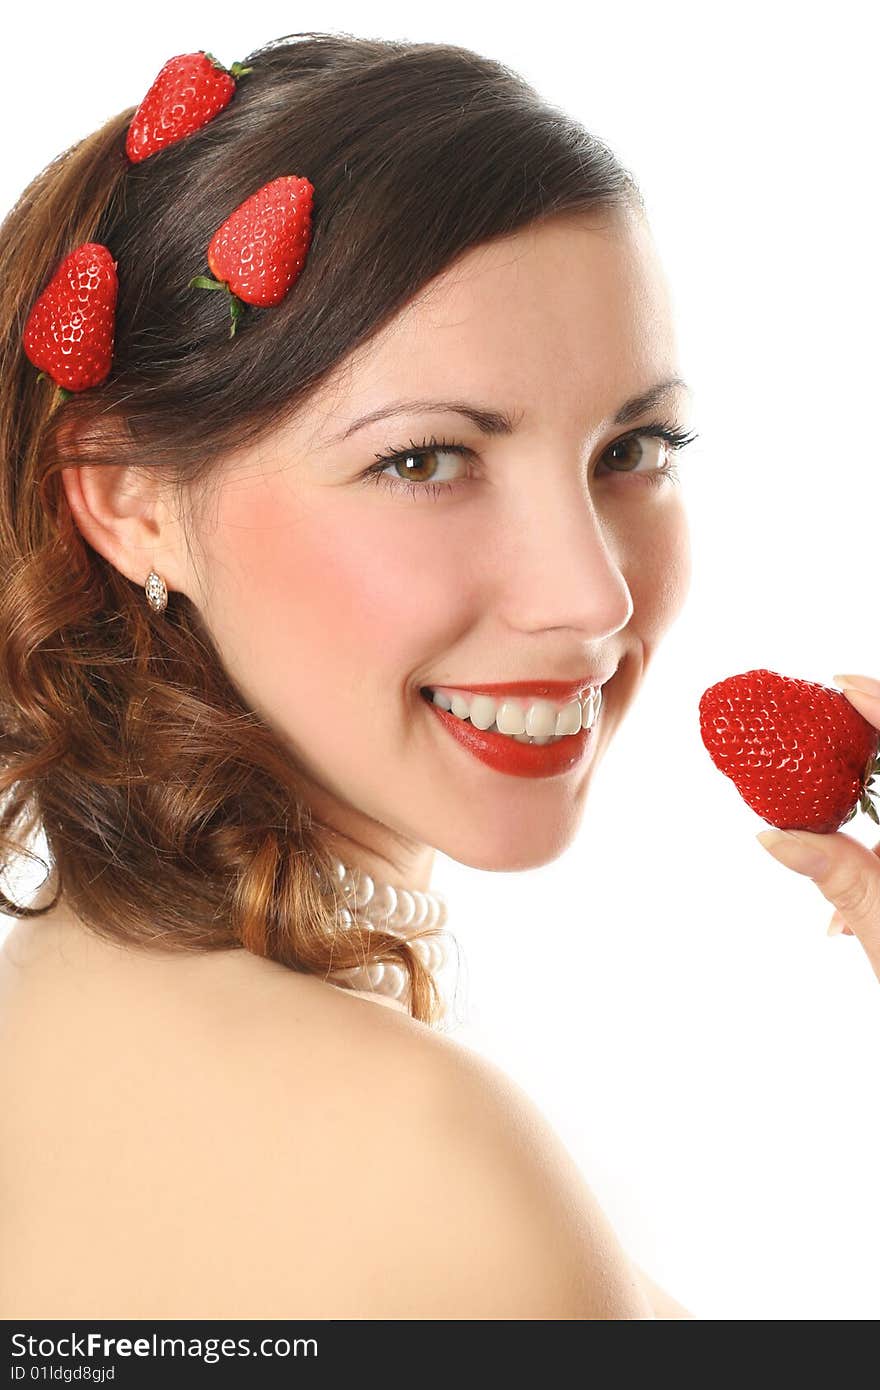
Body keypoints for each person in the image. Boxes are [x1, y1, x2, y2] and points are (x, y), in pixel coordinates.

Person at [4, 30, 877, 1322]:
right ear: (131, 498)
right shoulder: (426, 1161)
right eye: (424, 460)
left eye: (636, 444)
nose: (594, 597)